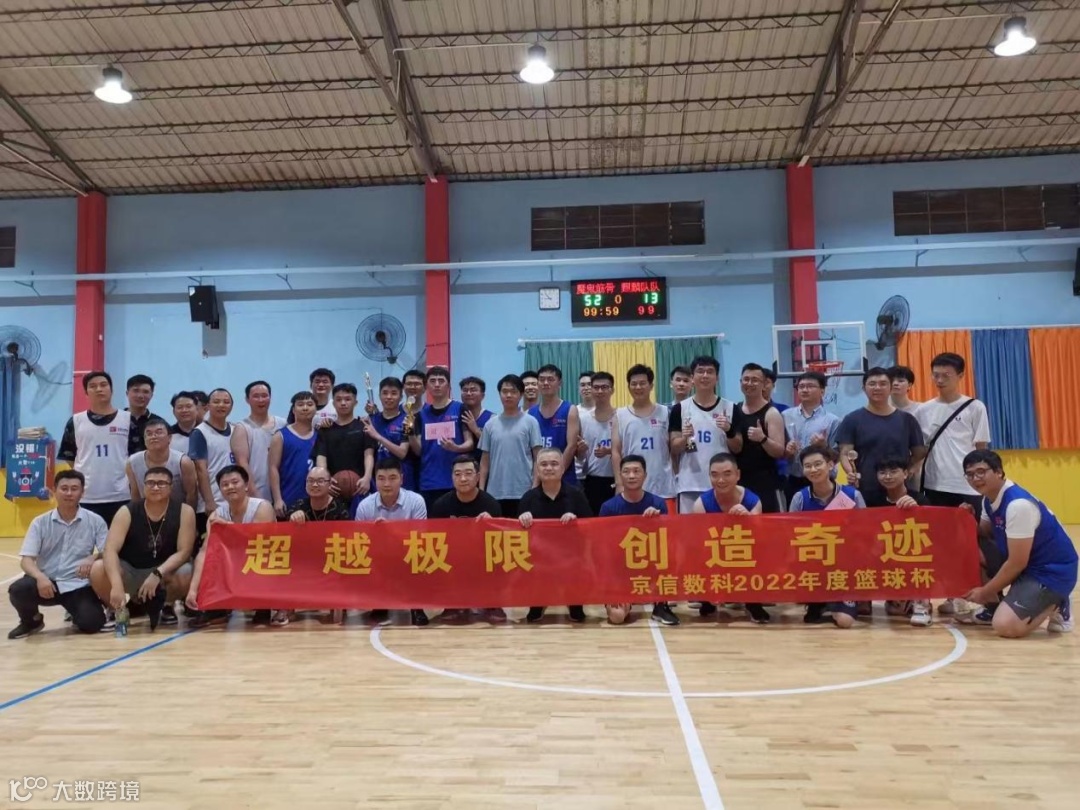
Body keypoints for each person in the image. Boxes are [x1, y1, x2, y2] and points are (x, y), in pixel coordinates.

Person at [963, 450, 1076, 638]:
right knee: (972, 549)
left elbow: (1017, 563)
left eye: (981, 472)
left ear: (999, 472)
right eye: (970, 474)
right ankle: (995, 607)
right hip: (1027, 566)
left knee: (1005, 626)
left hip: (1051, 572)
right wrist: (967, 518)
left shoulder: (1018, 505)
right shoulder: (988, 499)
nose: (975, 478)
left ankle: (1058, 602)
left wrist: (984, 592)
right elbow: (984, 533)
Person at [90, 466, 196, 630]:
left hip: (164, 571)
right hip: (131, 571)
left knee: (187, 571)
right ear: (143, 486)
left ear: (171, 487)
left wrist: (157, 573)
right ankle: (116, 609)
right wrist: (116, 585)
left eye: (161, 483)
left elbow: (184, 552)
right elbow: (110, 550)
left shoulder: (185, 511)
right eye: (150, 483)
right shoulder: (127, 511)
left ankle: (166, 607)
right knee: (98, 568)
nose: (155, 487)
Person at [7, 470, 108, 638]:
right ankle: (31, 621)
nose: (69, 493)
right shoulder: (39, 522)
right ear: (54, 490)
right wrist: (40, 577)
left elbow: (108, 552)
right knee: (19, 589)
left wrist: (93, 558)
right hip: (45, 584)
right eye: (64, 488)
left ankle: (78, 614)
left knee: (92, 624)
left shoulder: (95, 521)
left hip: (76, 584)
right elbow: (26, 560)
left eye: (74, 489)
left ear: (82, 492)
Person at [186, 465, 277, 626]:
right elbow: (205, 551)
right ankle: (217, 609)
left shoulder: (262, 507)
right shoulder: (216, 515)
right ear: (220, 490)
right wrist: (193, 590)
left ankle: (263, 607)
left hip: (261, 560)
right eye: (225, 484)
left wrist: (228, 527)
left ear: (246, 485)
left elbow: (258, 542)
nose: (230, 487)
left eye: (235, 482)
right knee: (211, 557)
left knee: (261, 556)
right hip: (234, 563)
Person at [787, 446, 867, 628]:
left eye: (818, 464)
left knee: (845, 622)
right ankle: (818, 601)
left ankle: (835, 602)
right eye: (808, 466)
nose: (813, 470)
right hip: (813, 566)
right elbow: (791, 536)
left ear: (830, 465)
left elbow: (865, 531)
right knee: (809, 617)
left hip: (844, 568)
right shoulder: (799, 498)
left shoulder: (852, 495)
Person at [598, 455, 679, 626]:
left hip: (650, 566)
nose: (631, 476)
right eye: (626, 472)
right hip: (620, 571)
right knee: (617, 617)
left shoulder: (658, 503)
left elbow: (666, 543)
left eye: (636, 471)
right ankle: (628, 599)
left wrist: (655, 522)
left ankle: (660, 605)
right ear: (620, 475)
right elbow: (603, 547)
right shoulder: (608, 507)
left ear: (645, 475)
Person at [691, 453, 769, 624]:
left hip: (744, 553)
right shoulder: (701, 504)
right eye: (715, 475)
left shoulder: (752, 500)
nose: (721, 480)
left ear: (738, 475)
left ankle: (753, 602)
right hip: (716, 553)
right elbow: (700, 542)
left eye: (727, 474)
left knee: (761, 554)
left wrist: (748, 518)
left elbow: (760, 536)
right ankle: (708, 597)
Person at [519, 447, 593, 623]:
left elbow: (591, 527)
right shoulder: (528, 498)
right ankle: (538, 602)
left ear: (562, 468)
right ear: (537, 469)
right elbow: (516, 536)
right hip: (538, 557)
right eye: (544, 464)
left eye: (554, 464)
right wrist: (522, 519)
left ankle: (574, 601)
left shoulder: (576, 495)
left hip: (571, 556)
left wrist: (576, 522)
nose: (549, 468)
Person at [354, 456, 430, 627]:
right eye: (381, 478)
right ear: (375, 480)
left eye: (392, 478)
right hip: (378, 555)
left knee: (423, 556)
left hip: (408, 553)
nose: (386, 484)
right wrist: (375, 535)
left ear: (402, 479)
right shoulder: (365, 506)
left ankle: (417, 606)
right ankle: (380, 603)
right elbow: (359, 542)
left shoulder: (416, 501)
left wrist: (391, 531)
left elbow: (421, 537)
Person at [430, 455, 505, 622]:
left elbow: (500, 542)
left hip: (482, 554)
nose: (463, 479)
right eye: (457, 474)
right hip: (452, 554)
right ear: (452, 478)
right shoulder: (441, 505)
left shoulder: (491, 504)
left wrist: (491, 524)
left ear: (477, 477)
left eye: (468, 473)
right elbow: (433, 540)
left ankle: (492, 603)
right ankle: (452, 603)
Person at [836, 367, 926, 504]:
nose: (877, 388)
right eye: (872, 384)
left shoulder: (907, 420)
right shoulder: (852, 419)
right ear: (864, 388)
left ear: (890, 388)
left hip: (899, 492)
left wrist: (906, 470)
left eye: (883, 384)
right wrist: (851, 472)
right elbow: (845, 453)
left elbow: (919, 453)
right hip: (866, 488)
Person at [57, 370, 132, 527]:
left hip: (121, 495)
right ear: (86, 392)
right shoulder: (75, 421)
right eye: (93, 386)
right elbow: (70, 458)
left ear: (111, 390)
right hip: (86, 496)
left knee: (120, 541)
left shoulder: (127, 420)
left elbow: (136, 458)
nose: (99, 389)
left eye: (103, 385)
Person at [868, 457, 932, 625]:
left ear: (905, 474)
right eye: (882, 472)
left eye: (893, 471)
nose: (888, 476)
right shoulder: (873, 500)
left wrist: (917, 511)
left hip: (911, 553)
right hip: (884, 552)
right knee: (894, 610)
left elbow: (931, 532)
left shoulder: (919, 499)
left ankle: (921, 604)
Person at [670, 356, 735, 514]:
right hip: (689, 484)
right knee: (689, 529)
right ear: (692, 378)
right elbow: (674, 448)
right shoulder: (680, 409)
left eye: (710, 372)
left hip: (722, 485)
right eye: (700, 371)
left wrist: (729, 430)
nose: (705, 375)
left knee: (721, 529)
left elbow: (738, 447)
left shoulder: (731, 408)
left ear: (717, 378)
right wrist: (684, 438)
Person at [611, 364, 676, 510]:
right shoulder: (620, 415)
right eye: (634, 384)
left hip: (663, 488)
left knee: (665, 525)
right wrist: (619, 483)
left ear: (651, 385)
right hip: (631, 490)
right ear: (628, 387)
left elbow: (674, 448)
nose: (638, 387)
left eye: (642, 383)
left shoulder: (666, 412)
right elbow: (615, 452)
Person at [479, 374, 543, 518]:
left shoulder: (531, 422)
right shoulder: (490, 424)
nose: (508, 395)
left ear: (521, 394)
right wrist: (481, 491)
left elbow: (538, 458)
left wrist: (534, 488)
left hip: (524, 491)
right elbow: (484, 462)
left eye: (513, 391)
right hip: (494, 492)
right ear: (499, 394)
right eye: (505, 391)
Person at [409, 366, 474, 509]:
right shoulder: (420, 415)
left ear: (448, 385)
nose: (437, 384)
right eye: (432, 381)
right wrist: (410, 435)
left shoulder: (460, 408)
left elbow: (470, 443)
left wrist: (456, 447)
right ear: (427, 386)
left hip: (456, 480)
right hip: (429, 481)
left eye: (441, 381)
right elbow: (419, 451)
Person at [730, 362, 787, 513]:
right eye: (746, 379)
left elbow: (779, 451)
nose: (749, 383)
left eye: (755, 380)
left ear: (764, 384)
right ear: (740, 382)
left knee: (768, 525)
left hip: (765, 482)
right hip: (738, 482)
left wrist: (762, 438)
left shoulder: (772, 413)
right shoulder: (734, 410)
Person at [782, 371, 841, 502]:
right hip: (794, 478)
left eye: (810, 386)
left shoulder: (832, 421)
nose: (804, 390)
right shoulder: (785, 416)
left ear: (822, 391)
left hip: (824, 480)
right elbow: (780, 451)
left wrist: (823, 446)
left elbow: (837, 457)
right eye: (801, 386)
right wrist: (787, 450)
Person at [188, 387, 236, 541]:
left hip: (234, 502)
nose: (221, 405)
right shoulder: (199, 432)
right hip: (212, 503)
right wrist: (209, 502)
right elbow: (200, 470)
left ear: (232, 406)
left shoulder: (236, 430)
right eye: (216, 402)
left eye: (226, 402)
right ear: (208, 406)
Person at [314, 383, 375, 504]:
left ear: (355, 402)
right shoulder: (325, 430)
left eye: (347, 399)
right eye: (339, 399)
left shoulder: (364, 426)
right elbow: (321, 457)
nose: (343, 403)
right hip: (333, 489)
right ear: (333, 403)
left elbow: (369, 454)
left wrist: (367, 477)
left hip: (360, 487)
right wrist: (325, 480)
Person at [231, 380, 288, 502]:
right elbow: (242, 464)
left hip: (284, 492)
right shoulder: (242, 428)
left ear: (270, 398)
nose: (261, 400)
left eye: (264, 396)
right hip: (256, 495)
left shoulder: (283, 424)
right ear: (247, 400)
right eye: (256, 396)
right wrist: (255, 495)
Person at [528, 364, 582, 487]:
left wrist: (556, 473)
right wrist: (540, 477)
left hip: (564, 478)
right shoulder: (531, 413)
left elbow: (571, 446)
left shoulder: (570, 409)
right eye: (542, 379)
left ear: (559, 383)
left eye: (550, 379)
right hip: (538, 479)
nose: (545, 383)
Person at [126, 417, 197, 507]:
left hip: (179, 511)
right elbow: (135, 494)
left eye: (159, 432)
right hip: (146, 511)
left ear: (169, 438)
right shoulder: (132, 462)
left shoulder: (183, 462)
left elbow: (191, 494)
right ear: (144, 440)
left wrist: (188, 514)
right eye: (149, 434)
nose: (153, 436)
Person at [270, 391, 319, 516]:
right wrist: (277, 499)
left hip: (316, 500)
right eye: (300, 404)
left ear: (316, 409)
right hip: (288, 499)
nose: (305, 408)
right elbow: (273, 468)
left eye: (310, 404)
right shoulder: (280, 435)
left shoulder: (321, 435)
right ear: (293, 410)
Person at [363, 377, 414, 491]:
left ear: (401, 397)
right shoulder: (372, 420)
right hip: (378, 481)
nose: (389, 397)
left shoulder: (407, 420)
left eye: (394, 393)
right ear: (379, 396)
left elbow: (402, 453)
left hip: (403, 481)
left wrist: (378, 436)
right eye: (385, 393)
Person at [578, 371, 617, 515]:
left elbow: (630, 449)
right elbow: (580, 457)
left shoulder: (622, 416)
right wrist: (580, 450)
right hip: (592, 480)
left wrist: (610, 451)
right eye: (596, 387)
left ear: (612, 390)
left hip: (618, 479)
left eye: (604, 387)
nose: (600, 391)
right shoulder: (583, 419)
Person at [286, 467, 352, 523]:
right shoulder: (298, 506)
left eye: (320, 481)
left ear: (330, 484)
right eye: (311, 481)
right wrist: (293, 517)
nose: (315, 485)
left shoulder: (340, 510)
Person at [125, 374, 162, 455]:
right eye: (136, 391)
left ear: (151, 395)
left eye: (145, 392)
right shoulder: (116, 419)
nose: (140, 396)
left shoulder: (159, 423)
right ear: (127, 393)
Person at [459, 376, 493, 461]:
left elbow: (494, 445)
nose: (469, 393)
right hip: (460, 466)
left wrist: (476, 430)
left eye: (473, 390)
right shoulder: (455, 415)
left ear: (483, 395)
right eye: (465, 390)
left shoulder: (492, 418)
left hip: (484, 465)